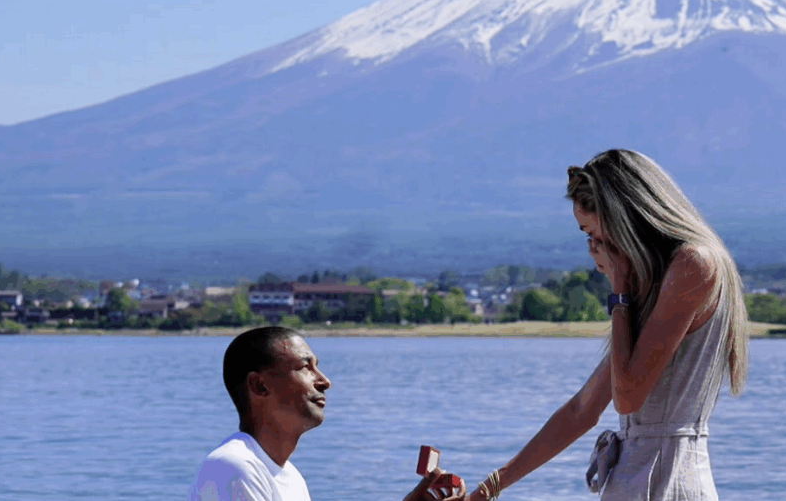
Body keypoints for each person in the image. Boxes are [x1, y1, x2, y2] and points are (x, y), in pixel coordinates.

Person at [464, 149, 749, 501]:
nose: (591, 248)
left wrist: (619, 292)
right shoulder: (658, 284)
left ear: (623, 218)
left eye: (593, 234)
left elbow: (627, 398)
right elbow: (581, 411)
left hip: (668, 482)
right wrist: (489, 488)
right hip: (637, 480)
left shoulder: (694, 265)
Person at [189, 326, 465, 501]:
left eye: (317, 367)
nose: (324, 381)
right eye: (305, 368)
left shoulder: (290, 477)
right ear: (259, 386)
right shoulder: (234, 468)